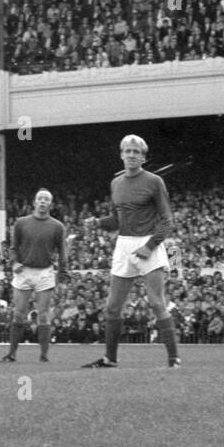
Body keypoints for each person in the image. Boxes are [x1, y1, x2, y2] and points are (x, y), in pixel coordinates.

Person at [80, 135, 180, 368]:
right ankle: (110, 358)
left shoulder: (154, 181)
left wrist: (149, 246)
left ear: (143, 157)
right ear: (121, 154)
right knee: (113, 307)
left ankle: (173, 359)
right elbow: (117, 219)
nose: (132, 155)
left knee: (156, 303)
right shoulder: (116, 183)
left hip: (149, 243)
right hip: (124, 244)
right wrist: (97, 222)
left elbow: (167, 220)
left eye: (136, 151)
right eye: (128, 151)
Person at [1, 189, 68, 362]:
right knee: (19, 314)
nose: (43, 201)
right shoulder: (21, 223)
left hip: (45, 272)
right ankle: (12, 354)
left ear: (50, 204)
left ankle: (44, 356)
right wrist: (13, 262)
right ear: (34, 202)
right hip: (23, 271)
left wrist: (62, 276)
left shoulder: (57, 226)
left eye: (46, 199)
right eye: (40, 198)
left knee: (44, 314)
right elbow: (13, 246)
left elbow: (62, 252)